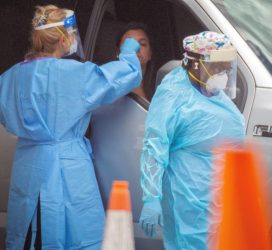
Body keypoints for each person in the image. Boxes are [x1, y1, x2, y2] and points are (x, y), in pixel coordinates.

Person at [0, 5, 142, 250]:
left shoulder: (10, 77)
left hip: (29, 165)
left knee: (30, 236)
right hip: (67, 167)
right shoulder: (74, 74)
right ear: (64, 38)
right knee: (73, 236)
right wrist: (129, 53)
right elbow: (121, 77)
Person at [139, 31, 245, 249]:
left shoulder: (211, 91)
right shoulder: (174, 93)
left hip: (217, 194)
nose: (224, 72)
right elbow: (154, 145)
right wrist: (151, 197)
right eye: (218, 66)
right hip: (188, 194)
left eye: (227, 66)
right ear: (196, 65)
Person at [116, 22, 155, 101]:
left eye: (142, 44)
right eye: (129, 45)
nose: (136, 48)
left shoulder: (160, 90)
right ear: (118, 53)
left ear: (150, 53)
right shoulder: (109, 89)